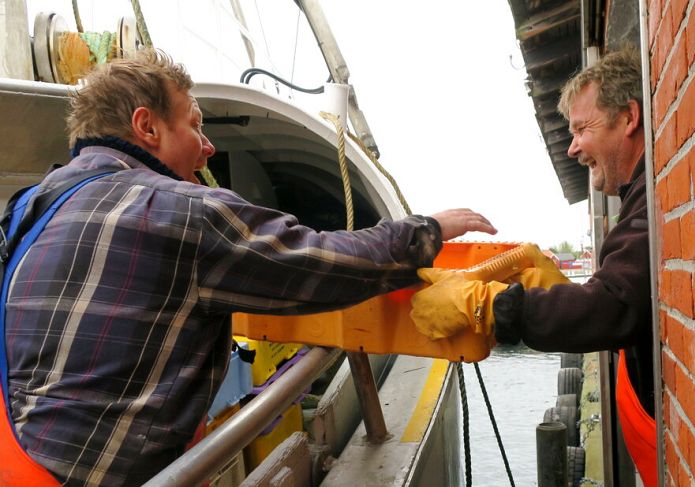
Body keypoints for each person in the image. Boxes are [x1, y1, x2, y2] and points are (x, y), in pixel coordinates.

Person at [2, 49, 496, 486]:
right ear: (147, 127)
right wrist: (425, 232)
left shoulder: (25, 208)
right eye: (194, 125)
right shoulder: (183, 210)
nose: (209, 146)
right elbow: (316, 263)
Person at [411, 47, 656, 486]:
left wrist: (489, 304)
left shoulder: (650, 202)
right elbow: (626, 303)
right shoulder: (642, 197)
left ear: (629, 118)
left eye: (582, 129)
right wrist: (560, 290)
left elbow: (616, 308)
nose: (573, 146)